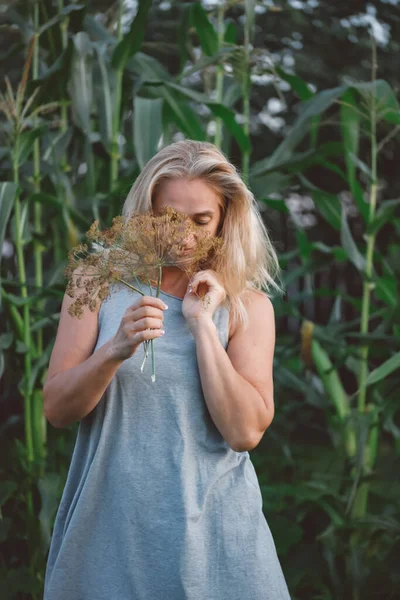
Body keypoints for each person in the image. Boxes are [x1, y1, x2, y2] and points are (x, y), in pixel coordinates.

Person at [42, 139, 291, 599]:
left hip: (217, 539)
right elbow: (57, 408)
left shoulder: (246, 307)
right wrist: (115, 348)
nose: (185, 237)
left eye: (202, 221)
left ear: (224, 219)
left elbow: (244, 432)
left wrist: (200, 325)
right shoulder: (98, 283)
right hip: (111, 532)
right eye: (169, 218)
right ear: (146, 210)